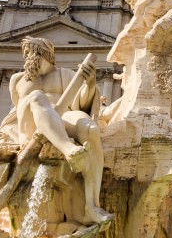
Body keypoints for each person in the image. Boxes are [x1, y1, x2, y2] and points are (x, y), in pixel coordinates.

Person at [6, 37, 108, 224]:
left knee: (91, 130)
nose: (27, 57)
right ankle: (68, 149)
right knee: (37, 97)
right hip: (32, 122)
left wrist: (90, 84)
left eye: (31, 52)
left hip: (62, 117)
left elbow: (80, 104)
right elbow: (17, 110)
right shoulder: (17, 79)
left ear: (45, 54)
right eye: (26, 53)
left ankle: (92, 206)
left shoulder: (66, 74)